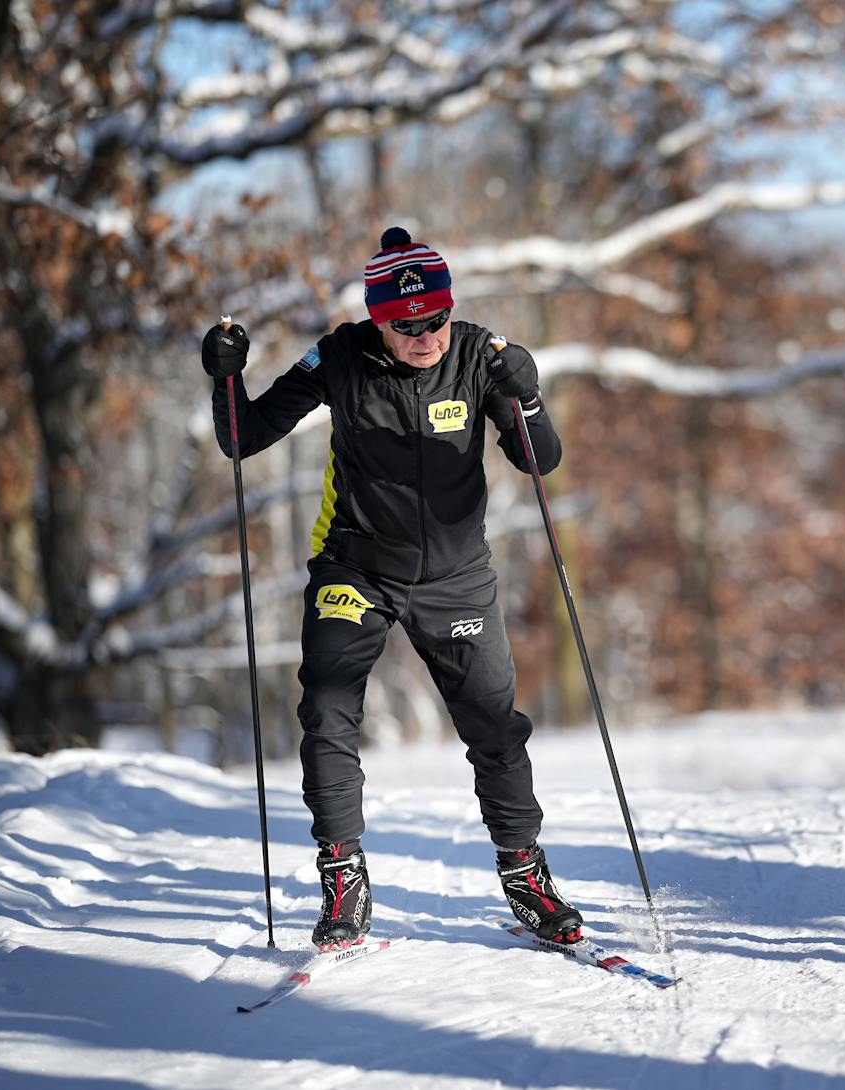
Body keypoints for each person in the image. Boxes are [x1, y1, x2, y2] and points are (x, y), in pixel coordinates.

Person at [201, 226, 583, 949]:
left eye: (437, 319)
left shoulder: (475, 353)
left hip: (456, 577)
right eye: (408, 327)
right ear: (378, 317)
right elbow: (243, 438)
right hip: (357, 566)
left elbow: (541, 462)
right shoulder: (341, 357)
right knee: (328, 710)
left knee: (495, 726)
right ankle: (343, 877)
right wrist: (225, 378)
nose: (427, 337)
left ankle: (525, 874)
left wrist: (527, 399)